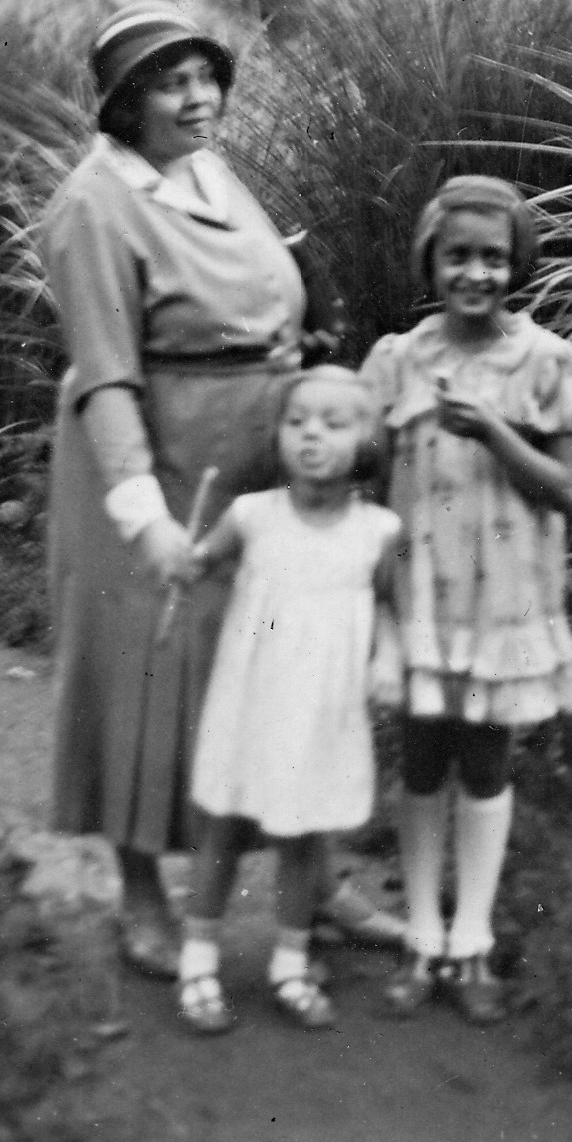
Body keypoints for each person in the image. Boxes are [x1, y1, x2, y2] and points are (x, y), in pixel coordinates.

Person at [43, 3, 401, 979]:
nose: (199, 98)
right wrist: (142, 516)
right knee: (145, 674)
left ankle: (310, 881)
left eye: (207, 77)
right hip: (152, 470)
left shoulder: (204, 169)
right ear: (127, 103)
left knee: (277, 667)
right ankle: (140, 893)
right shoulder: (93, 206)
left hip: (255, 459)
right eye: (173, 83)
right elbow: (106, 375)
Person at [361, 176, 572, 1025]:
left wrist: (493, 429)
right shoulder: (398, 358)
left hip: (505, 601)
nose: (476, 273)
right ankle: (422, 937)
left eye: (494, 257)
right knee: (422, 761)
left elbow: (563, 490)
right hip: (422, 594)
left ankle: (473, 942)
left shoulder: (547, 360)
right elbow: (373, 475)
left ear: (516, 263)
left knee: (487, 763)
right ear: (432, 260)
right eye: (458, 255)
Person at [175, 367, 403, 1033]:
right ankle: (197, 961)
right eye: (297, 421)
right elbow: (198, 563)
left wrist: (388, 659)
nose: (311, 435)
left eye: (334, 424)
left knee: (306, 833)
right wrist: (185, 562)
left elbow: (390, 605)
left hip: (322, 708)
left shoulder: (379, 530)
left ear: (367, 441)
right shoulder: (252, 516)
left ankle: (291, 963)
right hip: (252, 700)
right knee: (224, 824)